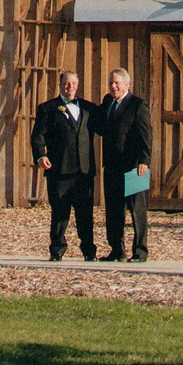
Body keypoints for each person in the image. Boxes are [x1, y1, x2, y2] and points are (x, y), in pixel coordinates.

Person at [30, 69, 101, 261]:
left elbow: (105, 127)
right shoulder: (48, 108)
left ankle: (88, 250)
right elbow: (37, 136)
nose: (70, 87)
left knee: (85, 214)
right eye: (67, 83)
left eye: (74, 84)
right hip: (59, 170)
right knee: (60, 212)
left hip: (83, 171)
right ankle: (57, 250)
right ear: (61, 85)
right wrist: (40, 156)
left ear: (78, 86)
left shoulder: (88, 108)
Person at [94, 67, 151, 262]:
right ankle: (117, 250)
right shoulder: (108, 103)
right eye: (111, 82)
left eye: (117, 82)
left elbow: (146, 136)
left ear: (127, 84)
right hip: (112, 166)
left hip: (135, 167)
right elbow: (99, 127)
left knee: (137, 210)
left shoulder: (138, 105)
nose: (113, 86)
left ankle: (140, 251)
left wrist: (145, 160)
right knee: (113, 210)